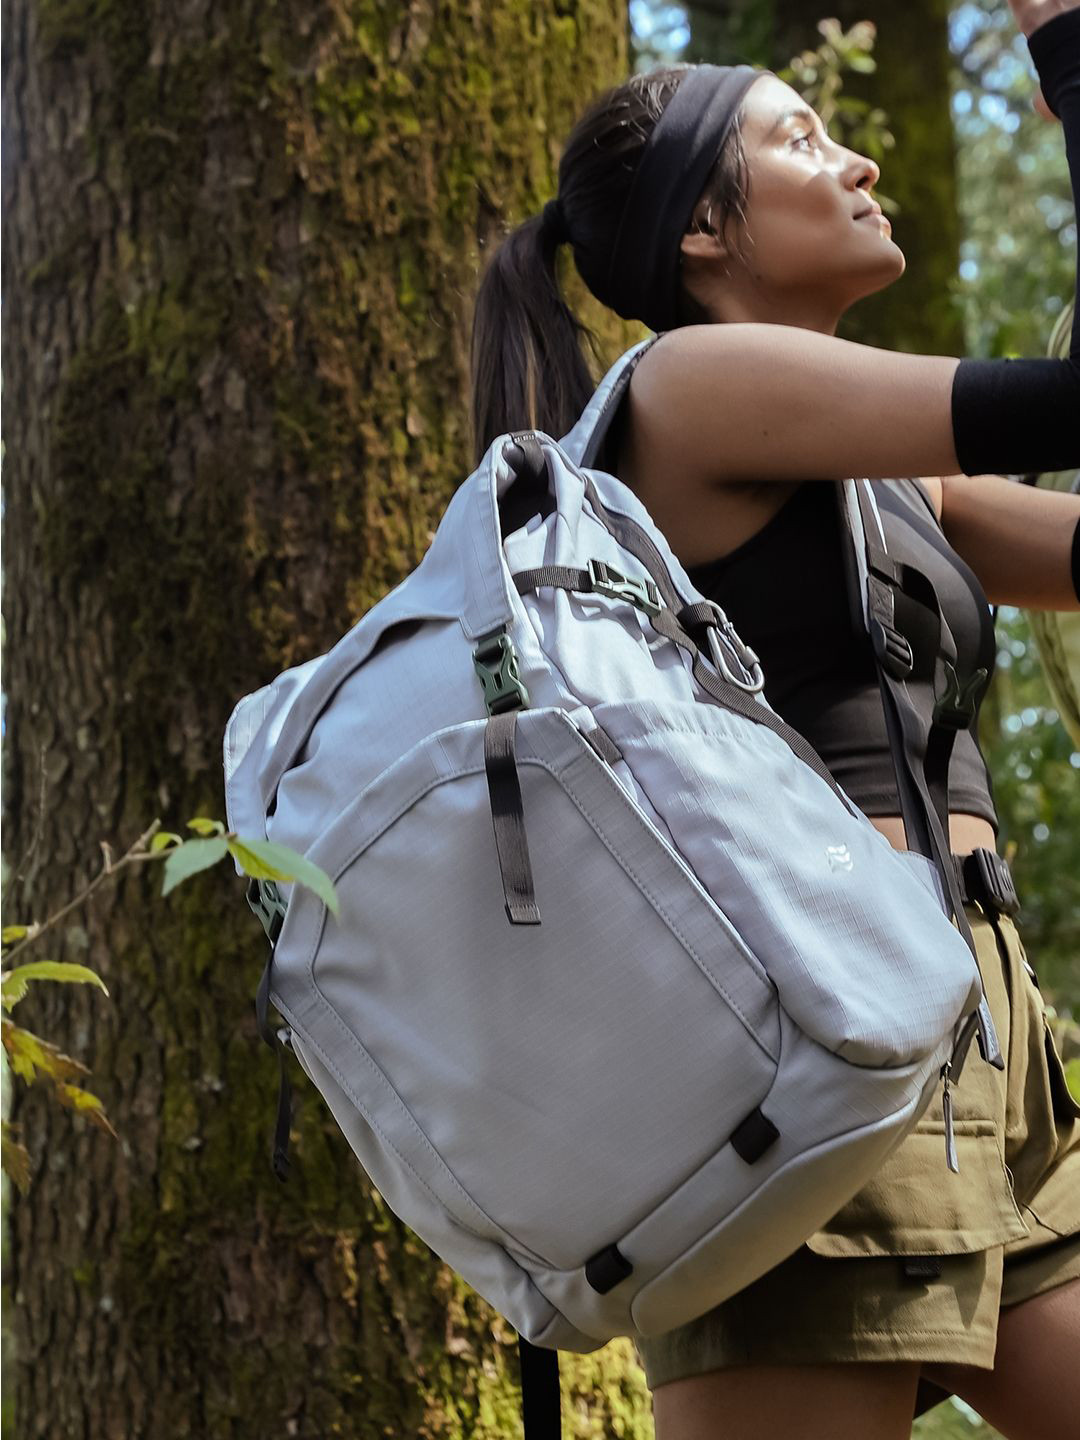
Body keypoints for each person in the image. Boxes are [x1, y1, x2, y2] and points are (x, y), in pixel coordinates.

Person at [468, 1, 1080, 1437]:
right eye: (802, 139)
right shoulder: (692, 388)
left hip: (990, 1036)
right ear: (704, 234)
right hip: (819, 1032)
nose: (859, 162)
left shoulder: (893, 485)